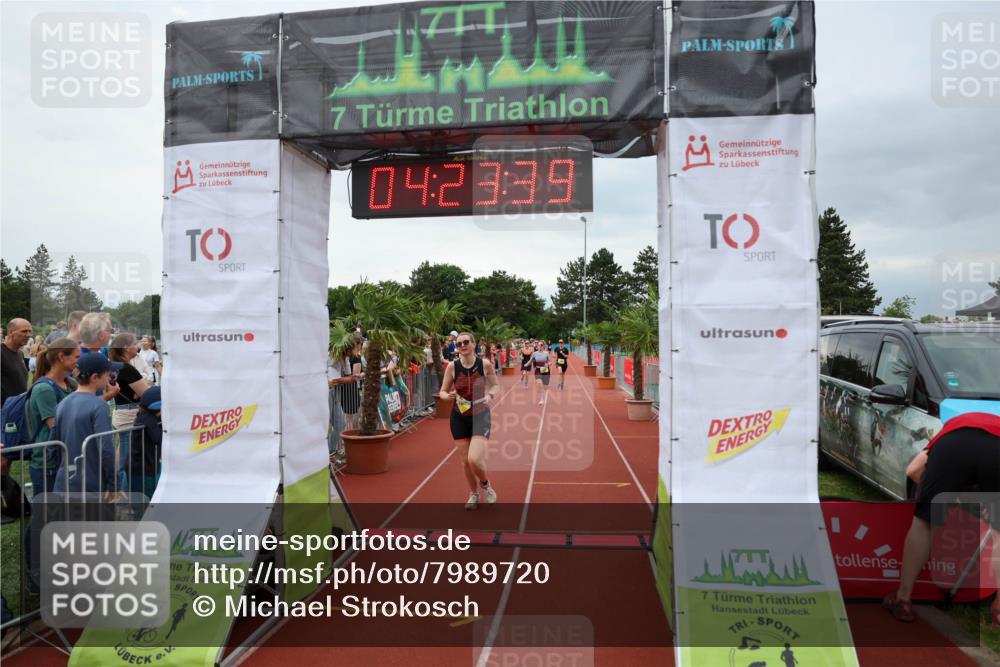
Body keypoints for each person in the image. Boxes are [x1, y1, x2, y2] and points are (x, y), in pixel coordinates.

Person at [883, 412, 1000, 624]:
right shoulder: (993, 427)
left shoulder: (947, 431)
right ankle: (999, 608)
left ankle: (903, 599)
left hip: (953, 446)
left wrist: (949, 499)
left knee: (924, 522)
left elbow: (913, 471)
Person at [437, 332, 499, 510]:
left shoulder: (484, 364)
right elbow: (442, 391)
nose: (462, 346)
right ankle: (473, 494)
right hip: (459, 416)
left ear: (473, 344)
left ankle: (486, 486)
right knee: (465, 461)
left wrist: (491, 395)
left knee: (474, 458)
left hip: (480, 414)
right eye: (458, 344)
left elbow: (495, 384)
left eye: (465, 342)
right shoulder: (452, 367)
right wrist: (446, 396)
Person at [52, 353, 118, 494]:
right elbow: (106, 447)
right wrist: (113, 483)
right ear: (95, 377)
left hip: (64, 480)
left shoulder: (62, 403)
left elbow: (53, 446)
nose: (109, 379)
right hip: (90, 482)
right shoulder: (99, 406)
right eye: (108, 375)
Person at [27, 338, 80, 495]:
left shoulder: (69, 383)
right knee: (46, 515)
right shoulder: (44, 389)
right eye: (76, 357)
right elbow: (56, 427)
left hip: (64, 458)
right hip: (47, 463)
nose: (79, 361)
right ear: (62, 357)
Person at [109, 333, 150, 489]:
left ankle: (117, 488)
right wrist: (143, 389)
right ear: (126, 348)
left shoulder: (113, 365)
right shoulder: (127, 368)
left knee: (122, 454)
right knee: (128, 460)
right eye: (135, 343)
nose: (137, 345)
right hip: (130, 414)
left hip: (120, 412)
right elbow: (146, 394)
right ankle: (124, 497)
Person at [131, 386, 162, 498]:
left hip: (147, 465)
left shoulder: (146, 416)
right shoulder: (147, 419)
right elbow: (159, 439)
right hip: (142, 469)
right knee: (145, 500)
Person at [1, 318, 32, 407]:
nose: (28, 335)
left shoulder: (20, 353)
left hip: (18, 409)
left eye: (30, 331)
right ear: (11, 332)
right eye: (24, 331)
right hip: (5, 411)